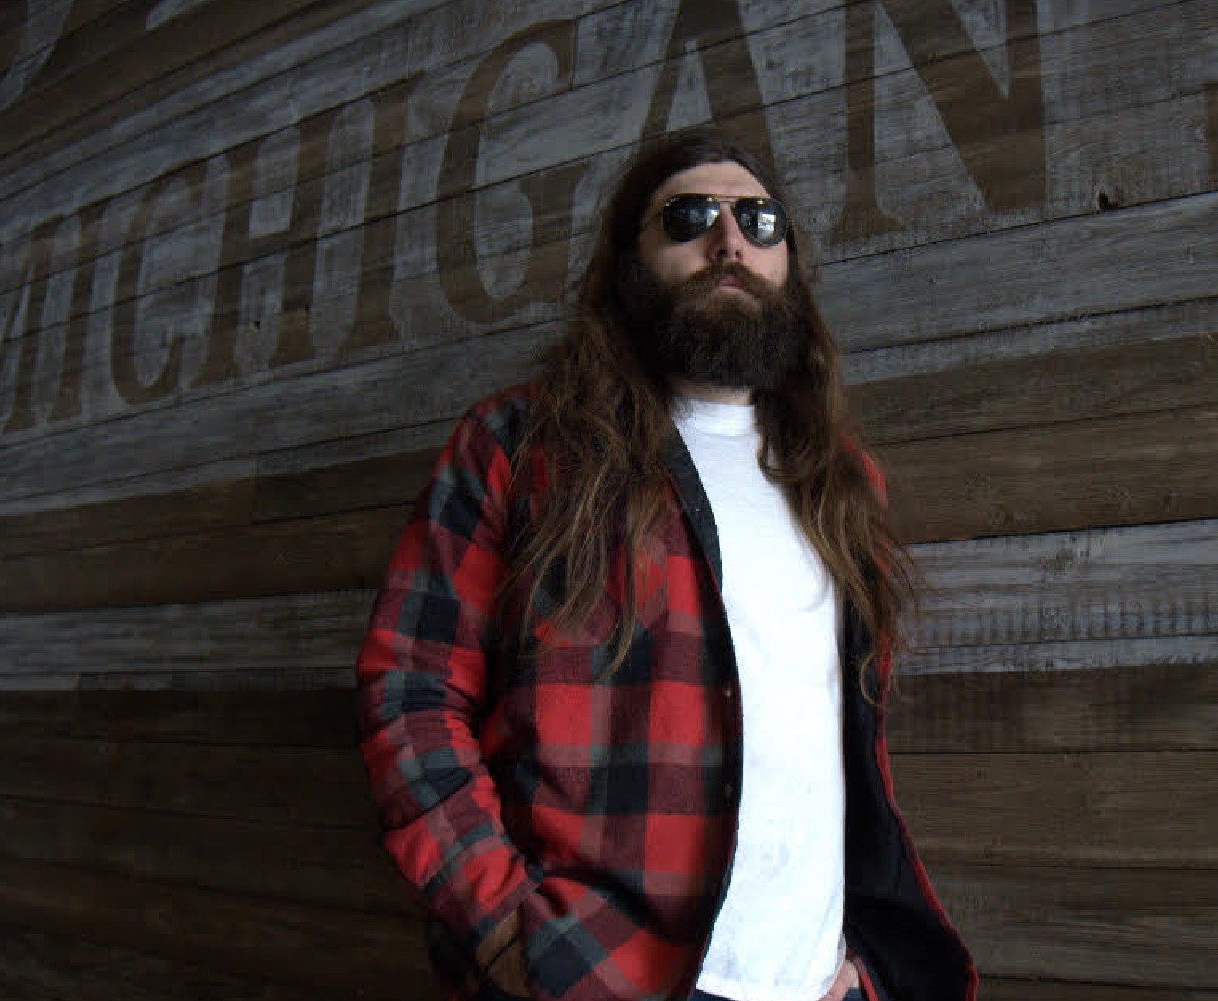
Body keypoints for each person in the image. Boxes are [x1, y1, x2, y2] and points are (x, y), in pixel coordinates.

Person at [355, 128, 976, 1001]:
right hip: (600, 977)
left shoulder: (838, 480)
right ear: (628, 264)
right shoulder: (519, 445)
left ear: (788, 261)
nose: (729, 240)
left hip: (817, 980)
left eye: (760, 221)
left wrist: (856, 960)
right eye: (689, 217)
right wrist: (502, 930)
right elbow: (410, 694)